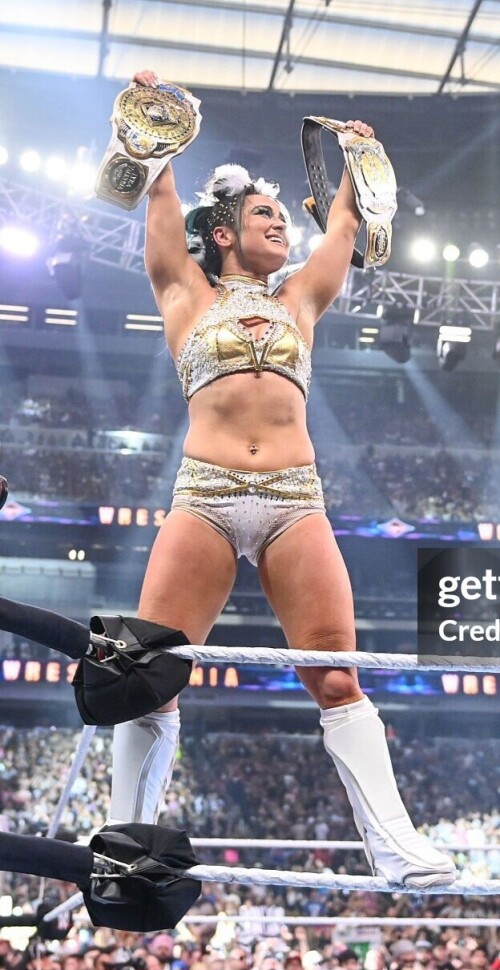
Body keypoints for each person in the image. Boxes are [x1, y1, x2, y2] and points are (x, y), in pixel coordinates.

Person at [109, 69, 456, 890]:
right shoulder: (184, 293)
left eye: (280, 216)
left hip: (297, 501)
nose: (281, 227)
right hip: (207, 497)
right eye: (265, 215)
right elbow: (158, 196)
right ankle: (124, 847)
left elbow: (347, 222)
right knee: (151, 673)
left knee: (338, 674)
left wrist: (357, 156)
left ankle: (396, 847)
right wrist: (154, 119)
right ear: (224, 232)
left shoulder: (300, 301)